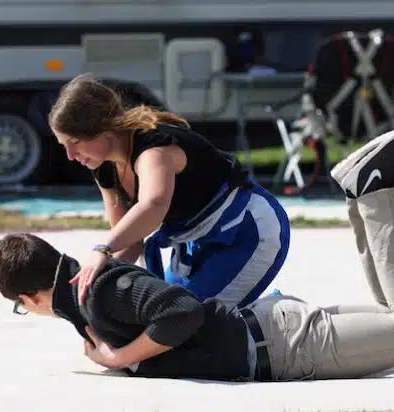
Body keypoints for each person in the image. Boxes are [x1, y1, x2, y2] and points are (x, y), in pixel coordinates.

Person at [0, 122, 394, 382]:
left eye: (19, 307)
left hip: (281, 347)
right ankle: (362, 194)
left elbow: (181, 311)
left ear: (29, 297)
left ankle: (374, 191)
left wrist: (118, 359)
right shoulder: (88, 300)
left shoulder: (99, 293)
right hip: (272, 330)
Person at [47, 74, 291, 308]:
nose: (70, 156)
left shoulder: (153, 150)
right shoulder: (104, 166)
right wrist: (92, 283)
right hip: (195, 241)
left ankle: (285, 319)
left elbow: (153, 206)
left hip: (247, 230)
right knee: (164, 313)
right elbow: (130, 242)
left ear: (104, 129)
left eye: (75, 142)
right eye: (63, 146)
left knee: (189, 321)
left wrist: (102, 250)